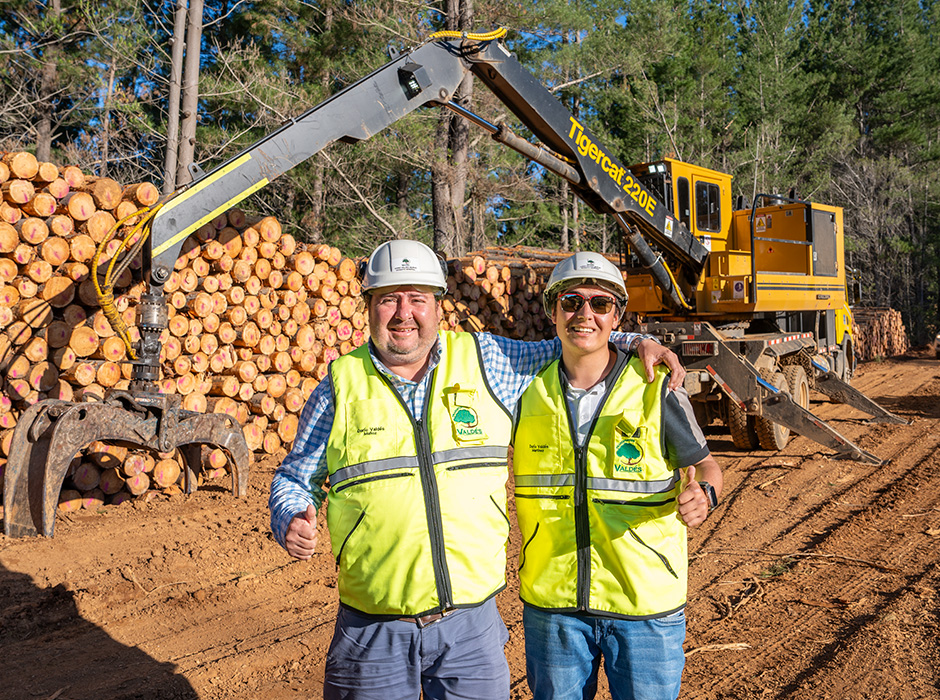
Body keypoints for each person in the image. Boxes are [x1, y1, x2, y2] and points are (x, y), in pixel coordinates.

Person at [268, 239, 685, 700]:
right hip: (371, 629)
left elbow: (576, 343)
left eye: (418, 299)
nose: (404, 313)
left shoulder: (489, 362)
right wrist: (291, 515)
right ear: (368, 306)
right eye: (389, 298)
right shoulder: (339, 385)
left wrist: (636, 340)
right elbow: (294, 478)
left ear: (439, 306)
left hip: (469, 630)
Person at [512, 252, 723, 700]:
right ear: (553, 311)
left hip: (645, 604)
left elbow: (708, 465)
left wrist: (705, 493)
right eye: (571, 301)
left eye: (600, 304)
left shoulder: (655, 386)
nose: (584, 314)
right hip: (554, 606)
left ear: (617, 316)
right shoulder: (523, 392)